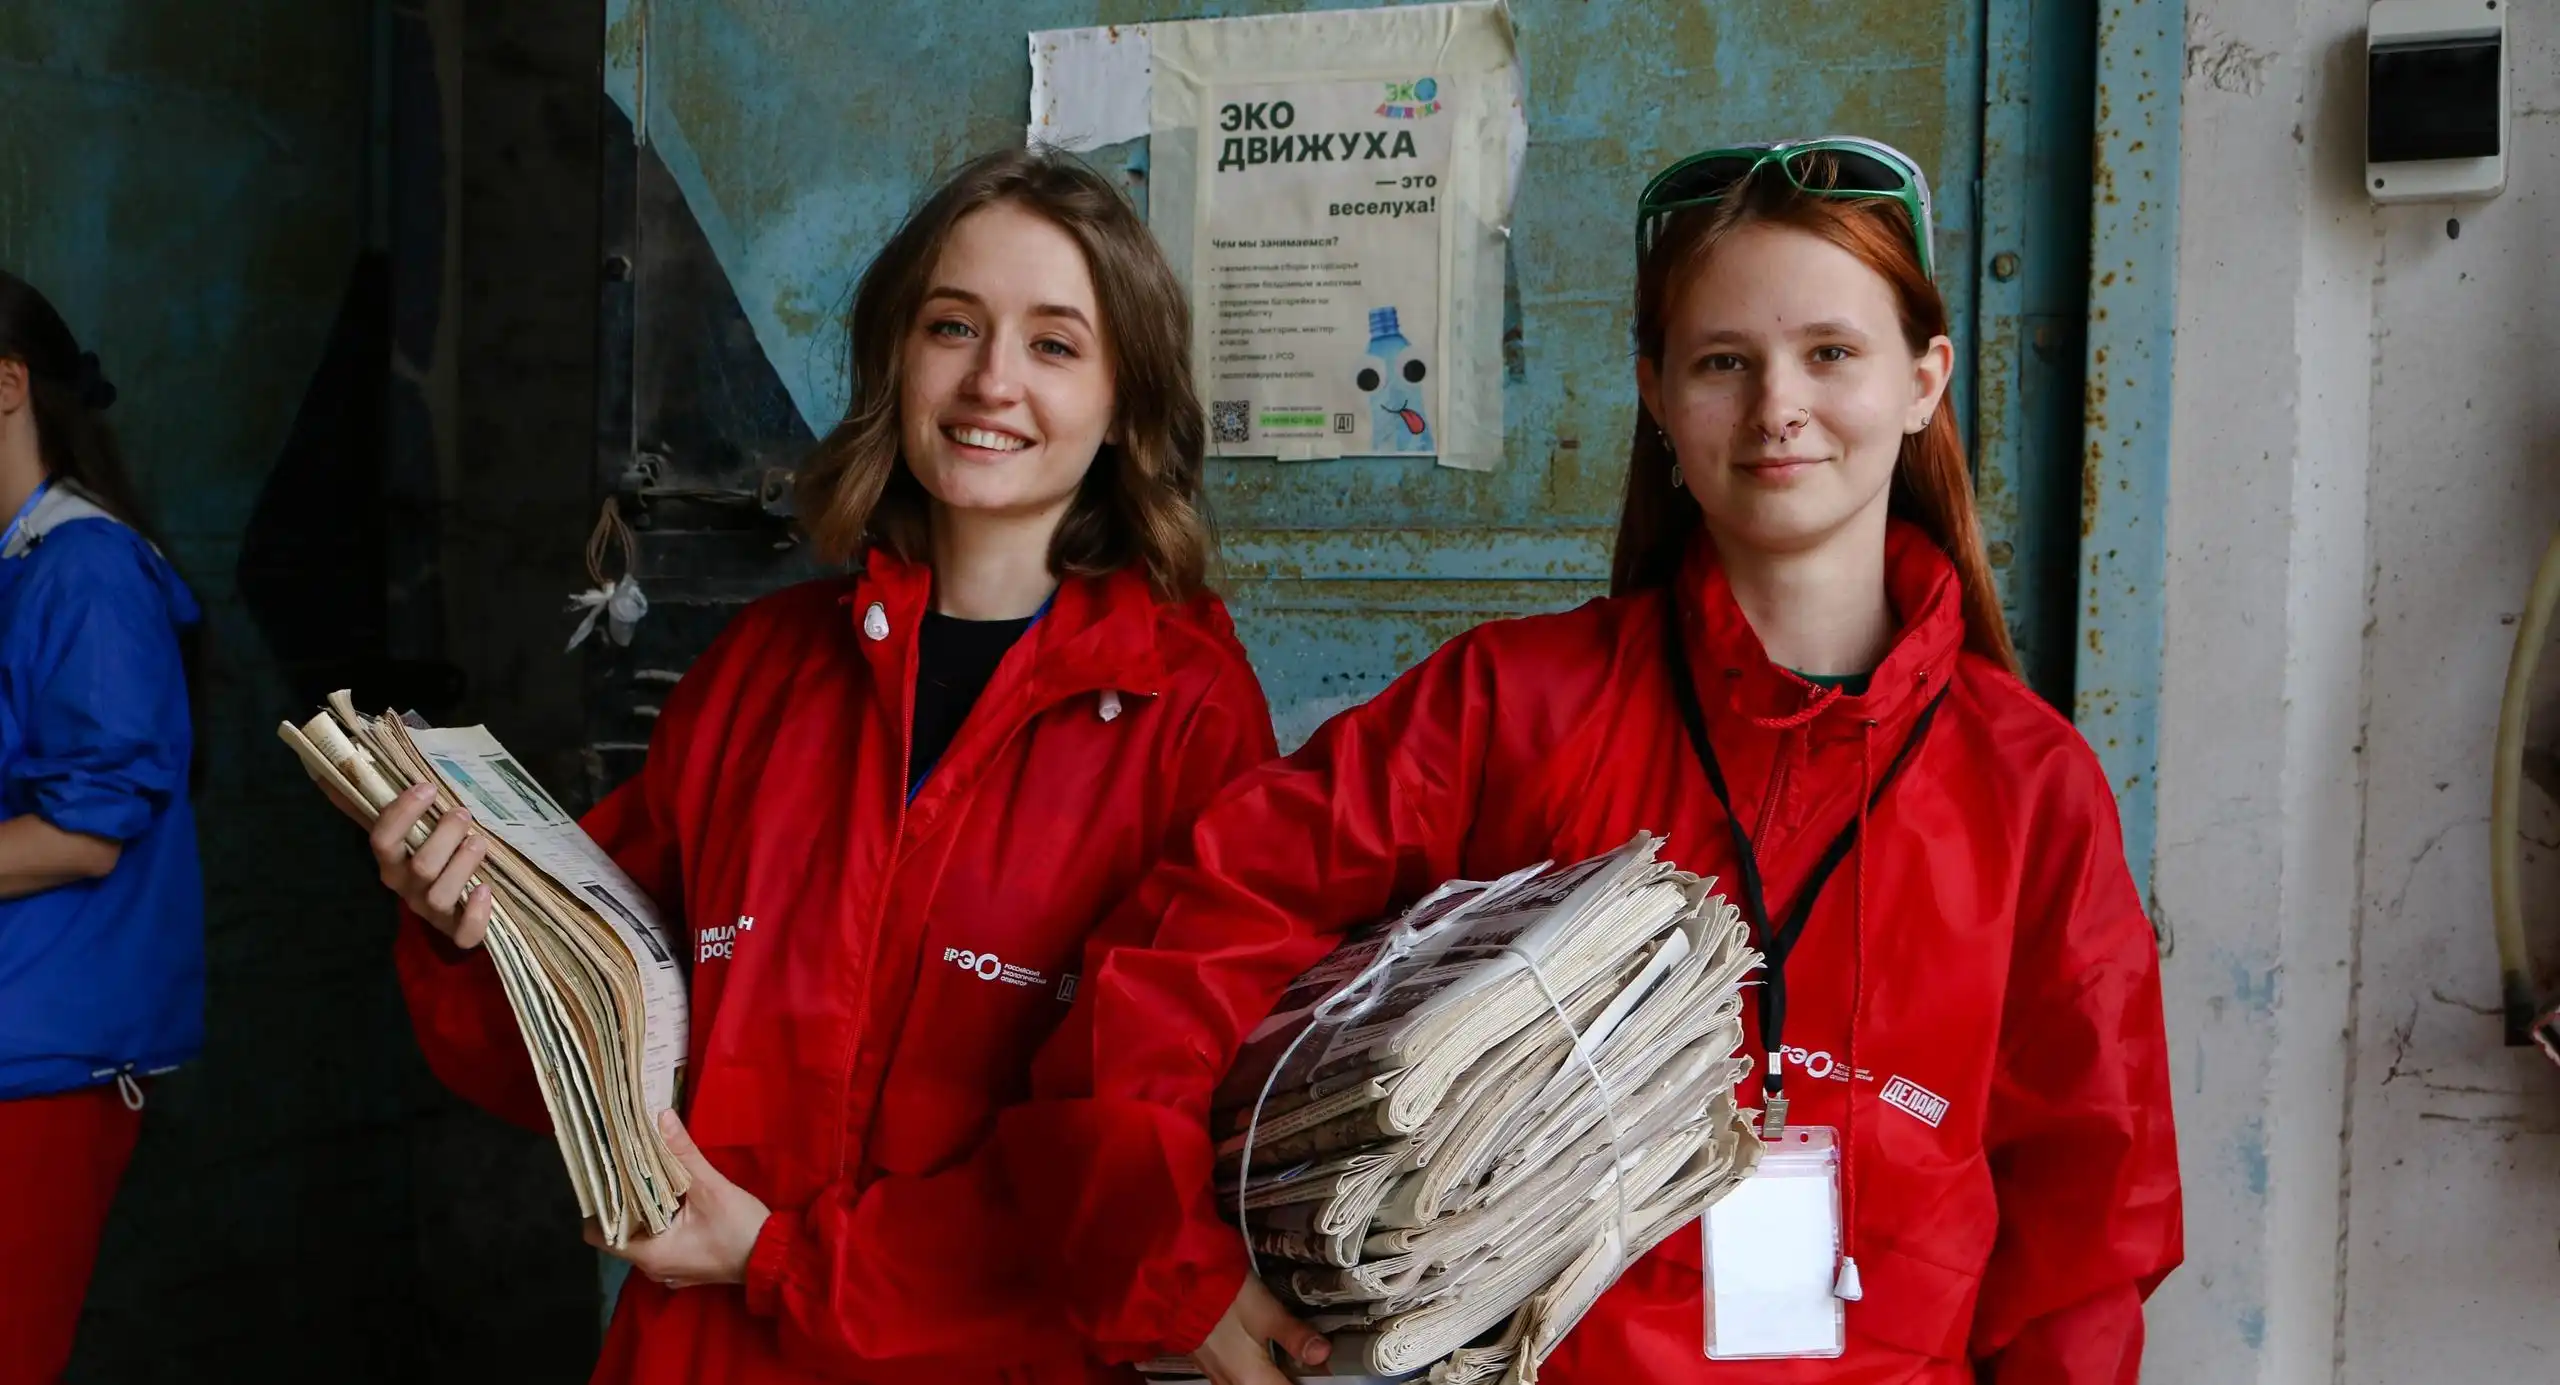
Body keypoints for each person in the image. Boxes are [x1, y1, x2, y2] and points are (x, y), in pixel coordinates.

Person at [991, 137, 2184, 1384]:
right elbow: (1196, 929)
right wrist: (1170, 1260)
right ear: (1655, 395)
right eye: (1722, 361)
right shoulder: (1513, 703)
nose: (1777, 405)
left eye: (1831, 352)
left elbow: (2089, 1216)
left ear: (1924, 380)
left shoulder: (2030, 782)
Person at [372, 148, 1277, 1384]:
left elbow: (1132, 1161)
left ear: (1126, 403)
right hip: (700, 1356)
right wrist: (470, 926)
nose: (992, 379)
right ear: (895, 359)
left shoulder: (1188, 716)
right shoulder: (762, 669)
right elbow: (599, 1039)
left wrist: (782, 1257)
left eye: (1054, 344)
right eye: (952, 325)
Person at [0, 271, 206, 1382]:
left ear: (7, 384)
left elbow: (85, 834)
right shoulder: (23, 563)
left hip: (40, 1064)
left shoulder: (88, 569)